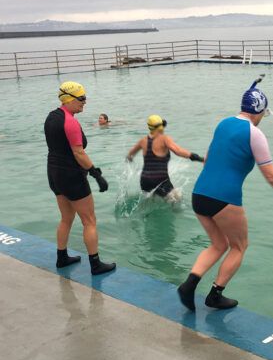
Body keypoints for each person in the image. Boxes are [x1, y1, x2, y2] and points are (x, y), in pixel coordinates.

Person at [177, 77, 273, 312]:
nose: (263, 119)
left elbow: (209, 159)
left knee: (218, 244)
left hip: (199, 194)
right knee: (239, 246)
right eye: (263, 114)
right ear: (259, 110)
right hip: (225, 198)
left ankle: (189, 285)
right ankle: (215, 295)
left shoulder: (223, 123)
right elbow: (271, 176)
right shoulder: (255, 134)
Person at [44, 81, 116, 275]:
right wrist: (96, 173)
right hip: (71, 176)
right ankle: (96, 264)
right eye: (82, 98)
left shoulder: (51, 117)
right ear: (69, 98)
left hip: (54, 173)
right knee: (89, 220)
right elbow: (79, 153)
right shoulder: (70, 122)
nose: (85, 102)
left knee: (66, 218)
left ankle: (61, 258)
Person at [126, 115, 204, 198]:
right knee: (177, 197)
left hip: (145, 181)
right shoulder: (164, 139)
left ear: (149, 127)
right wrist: (200, 159)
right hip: (160, 180)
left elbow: (129, 155)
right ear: (161, 126)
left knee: (151, 200)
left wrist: (131, 163)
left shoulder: (143, 141)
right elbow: (178, 151)